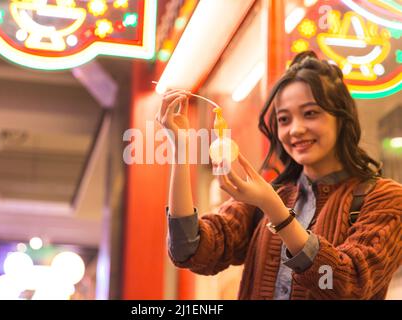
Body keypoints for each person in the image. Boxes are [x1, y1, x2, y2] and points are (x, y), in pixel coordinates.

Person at [155, 50, 402, 299]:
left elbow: (348, 284)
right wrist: (181, 150)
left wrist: (276, 211)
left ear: (341, 118)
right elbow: (190, 248)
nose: (295, 129)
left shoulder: (386, 198)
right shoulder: (272, 196)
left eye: (310, 113)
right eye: (284, 119)